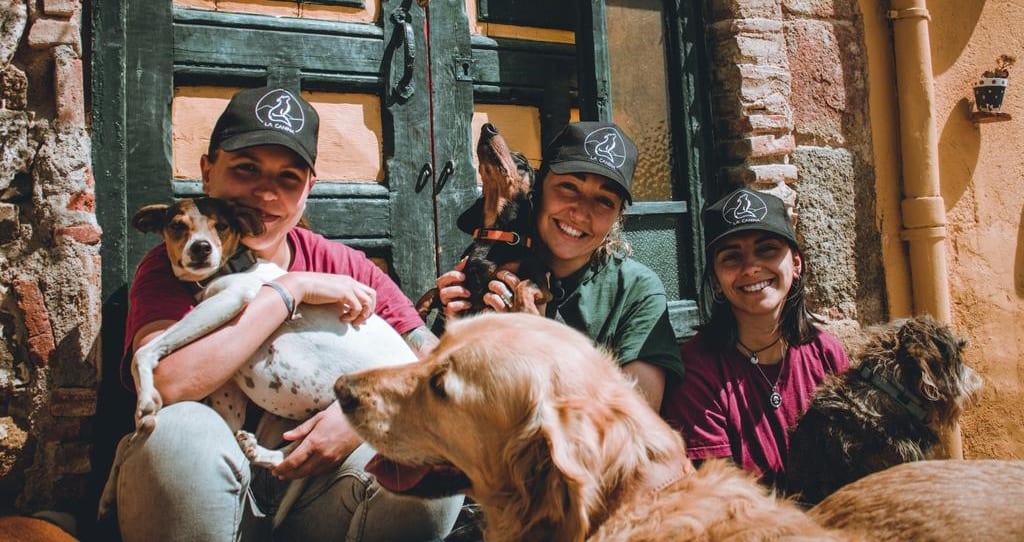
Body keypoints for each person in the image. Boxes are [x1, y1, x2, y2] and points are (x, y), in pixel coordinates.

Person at [108, 86, 462, 541]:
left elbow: (432, 368)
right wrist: (288, 291)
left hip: (320, 496)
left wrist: (354, 422)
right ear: (207, 171)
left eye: (288, 178)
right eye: (245, 169)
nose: (265, 193)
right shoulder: (173, 265)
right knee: (175, 433)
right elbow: (169, 383)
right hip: (204, 489)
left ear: (308, 190)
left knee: (427, 462)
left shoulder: (346, 265)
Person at [436, 121, 683, 410]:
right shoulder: (492, 266)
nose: (580, 211)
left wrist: (538, 338)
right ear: (538, 190)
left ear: (618, 216)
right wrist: (453, 328)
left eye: (604, 200)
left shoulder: (635, 290)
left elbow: (636, 416)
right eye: (568, 186)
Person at [660, 187, 850, 489]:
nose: (751, 268)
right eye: (731, 257)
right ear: (717, 282)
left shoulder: (826, 354)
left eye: (767, 249)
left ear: (796, 264)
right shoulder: (697, 374)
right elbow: (721, 494)